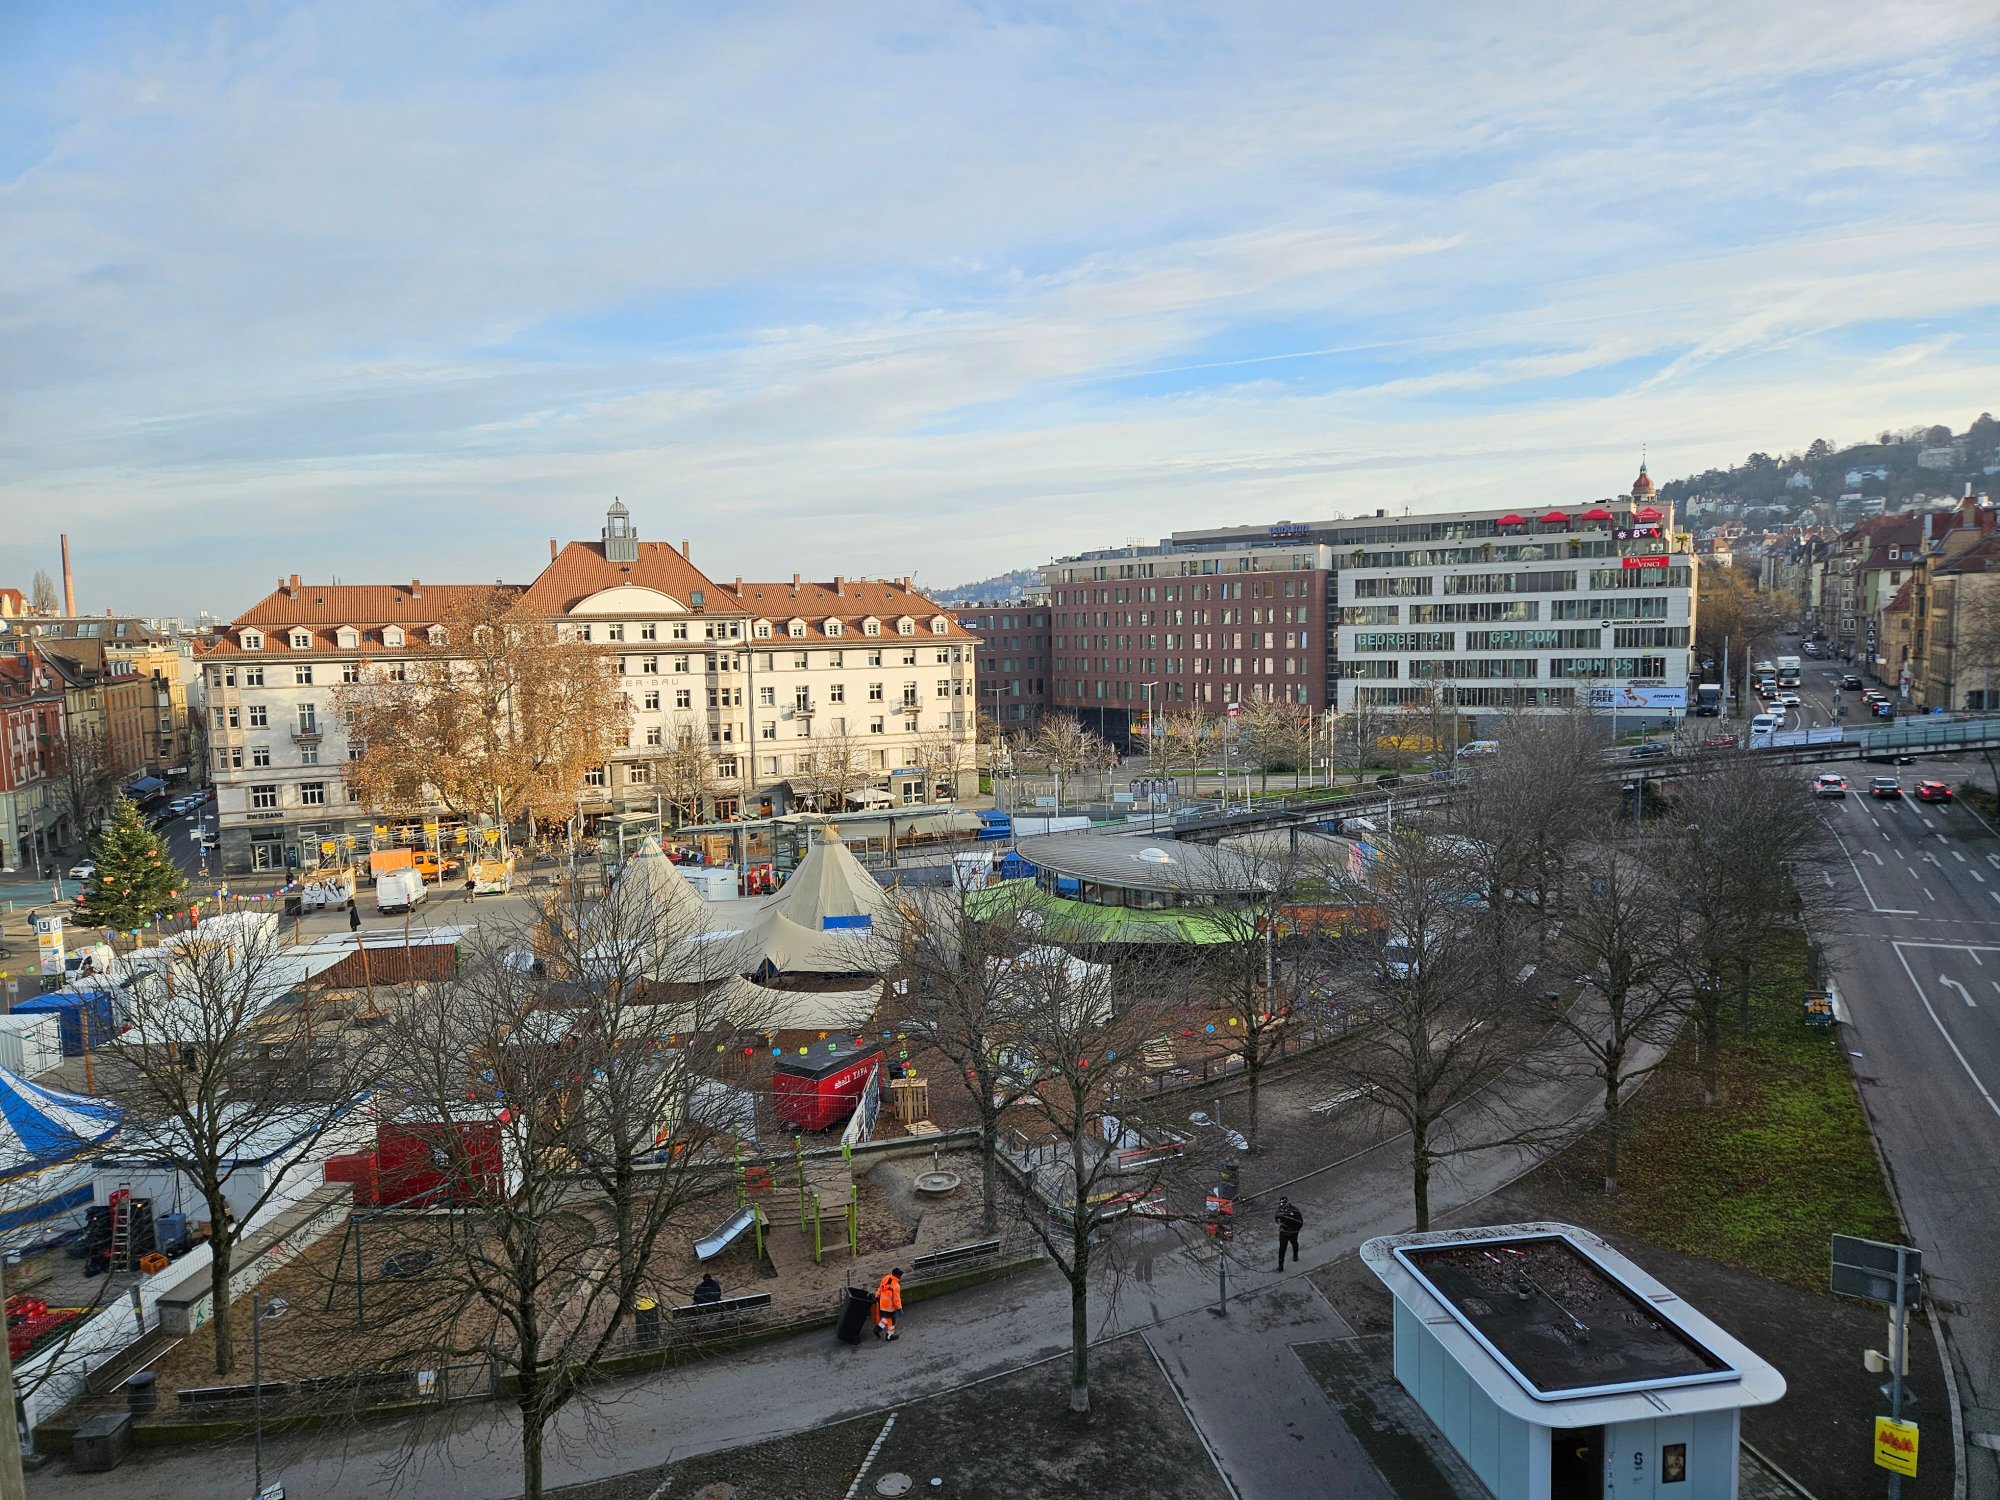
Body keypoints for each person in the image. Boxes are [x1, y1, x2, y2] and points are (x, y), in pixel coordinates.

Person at [873, 1266, 904, 1341]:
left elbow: (880, 1288)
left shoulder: (886, 1278)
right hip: (889, 1307)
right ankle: (889, 1336)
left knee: (886, 1318)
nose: (901, 1277)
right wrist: (899, 1309)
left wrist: (877, 1296)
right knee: (892, 1322)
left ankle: (877, 1329)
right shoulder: (896, 1286)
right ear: (897, 1276)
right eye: (900, 1275)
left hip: (882, 1304)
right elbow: (896, 1299)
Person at [1275, 1197, 1305, 1270]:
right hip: (1283, 1233)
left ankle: (1295, 1255)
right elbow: (1277, 1218)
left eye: (1284, 1204)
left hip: (1293, 1233)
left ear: (1287, 1203)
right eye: (1282, 1204)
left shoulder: (1294, 1210)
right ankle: (1280, 1266)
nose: (1283, 1205)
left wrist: (1296, 1230)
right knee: (1282, 1249)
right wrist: (1280, 1223)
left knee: (1294, 1244)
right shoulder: (1279, 1210)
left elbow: (1300, 1222)